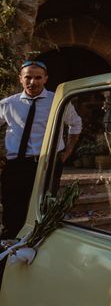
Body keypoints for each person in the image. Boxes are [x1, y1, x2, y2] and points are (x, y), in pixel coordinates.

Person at [0, 60, 82, 239]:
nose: (32, 82)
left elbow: (75, 125)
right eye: (28, 77)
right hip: (17, 166)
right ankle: (9, 253)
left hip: (48, 165)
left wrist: (67, 152)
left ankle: (36, 249)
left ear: (45, 79)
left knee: (42, 210)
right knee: (12, 210)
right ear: (20, 79)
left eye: (38, 77)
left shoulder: (58, 102)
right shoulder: (7, 104)